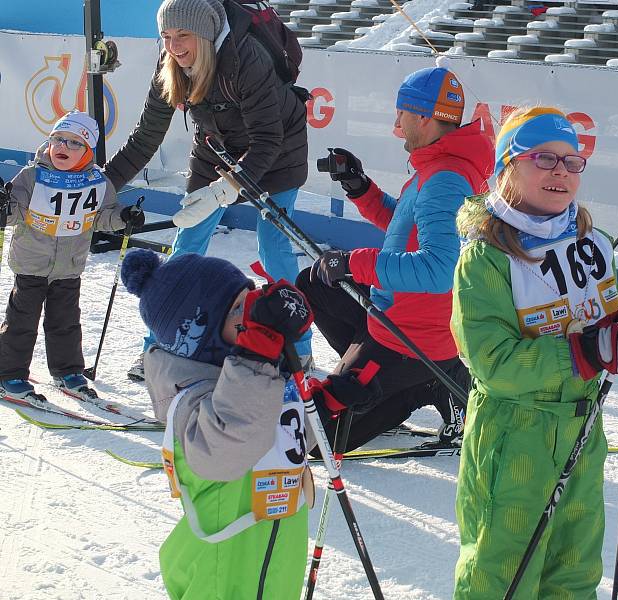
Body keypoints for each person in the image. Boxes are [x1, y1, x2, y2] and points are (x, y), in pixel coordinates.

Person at [450, 107, 618, 598]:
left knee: (574, 571)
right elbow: (492, 360)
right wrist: (590, 351)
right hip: (514, 435)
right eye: (544, 158)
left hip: (583, 427)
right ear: (509, 167)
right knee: (501, 574)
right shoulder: (486, 256)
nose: (560, 173)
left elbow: (608, 312)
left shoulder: (590, 241)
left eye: (572, 162)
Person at [119, 248, 378, 599]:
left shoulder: (251, 372)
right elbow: (230, 446)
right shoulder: (188, 396)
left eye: (250, 298)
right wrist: (255, 353)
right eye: (238, 310)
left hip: (275, 556)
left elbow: (277, 442)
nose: (252, 315)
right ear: (200, 334)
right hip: (225, 572)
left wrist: (321, 404)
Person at [104, 0, 311, 381]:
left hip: (279, 151)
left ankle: (300, 351)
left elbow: (268, 138)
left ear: (206, 32)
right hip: (216, 148)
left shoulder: (244, 58)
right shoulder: (170, 65)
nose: (174, 46)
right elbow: (146, 136)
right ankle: (159, 343)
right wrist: (101, 187)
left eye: (183, 35)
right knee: (186, 244)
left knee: (274, 248)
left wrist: (224, 190)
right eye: (166, 36)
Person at [295, 66, 493, 451]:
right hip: (395, 313)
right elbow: (406, 225)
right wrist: (360, 188)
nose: (397, 123)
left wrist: (355, 262)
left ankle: (423, 384)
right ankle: (387, 375)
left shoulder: (446, 180)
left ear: (423, 116)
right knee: (315, 283)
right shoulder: (440, 166)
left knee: (314, 440)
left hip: (412, 335)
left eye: (402, 112)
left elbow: (439, 270)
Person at [0, 111, 144, 403]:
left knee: (65, 321)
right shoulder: (32, 176)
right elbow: (14, 212)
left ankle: (68, 371)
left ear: (88, 150)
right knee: (22, 321)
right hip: (31, 263)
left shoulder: (97, 182)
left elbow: (103, 216)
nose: (63, 147)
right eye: (58, 139)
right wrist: (3, 207)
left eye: (74, 143)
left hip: (69, 267)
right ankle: (9, 374)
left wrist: (124, 217)